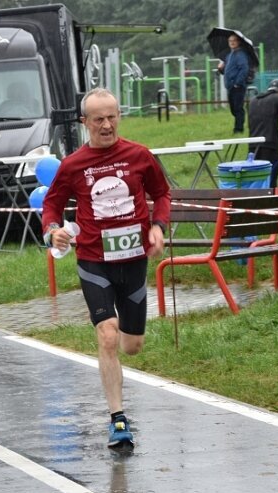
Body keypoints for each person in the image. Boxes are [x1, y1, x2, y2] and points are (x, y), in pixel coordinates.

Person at [41, 88, 171, 449]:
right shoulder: (73, 165)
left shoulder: (139, 155)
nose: (106, 124)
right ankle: (118, 420)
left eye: (112, 116)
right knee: (108, 335)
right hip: (94, 262)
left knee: (132, 345)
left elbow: (162, 194)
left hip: (133, 262)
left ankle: (119, 339)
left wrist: (158, 226)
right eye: (98, 119)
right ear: (84, 123)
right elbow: (51, 207)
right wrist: (54, 232)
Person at [218, 33, 250, 134]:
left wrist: (237, 83)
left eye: (234, 40)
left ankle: (238, 129)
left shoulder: (241, 54)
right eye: (230, 41)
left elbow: (244, 69)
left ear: (239, 42)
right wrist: (220, 69)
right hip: (230, 86)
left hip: (237, 86)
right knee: (233, 108)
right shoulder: (229, 55)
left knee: (238, 108)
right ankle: (238, 126)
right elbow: (228, 71)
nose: (232, 42)